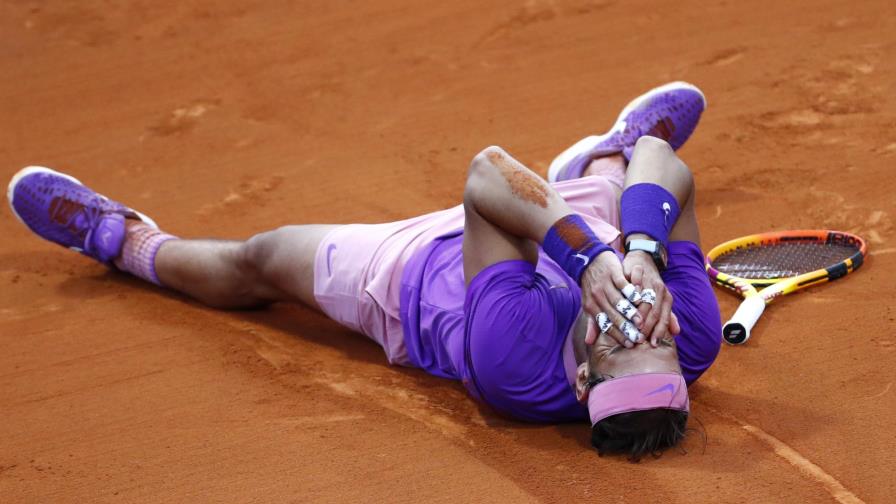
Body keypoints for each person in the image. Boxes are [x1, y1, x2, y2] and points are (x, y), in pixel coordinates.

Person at [7, 82, 721, 460]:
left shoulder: (515, 360)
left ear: (581, 379)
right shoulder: (690, 335)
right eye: (653, 339)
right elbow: (669, 165)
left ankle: (121, 239)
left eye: (619, 346)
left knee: (262, 257)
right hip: (575, 231)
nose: (639, 323)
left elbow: (490, 178)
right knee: (634, 174)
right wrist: (632, 252)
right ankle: (602, 155)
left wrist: (590, 256)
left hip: (422, 270)